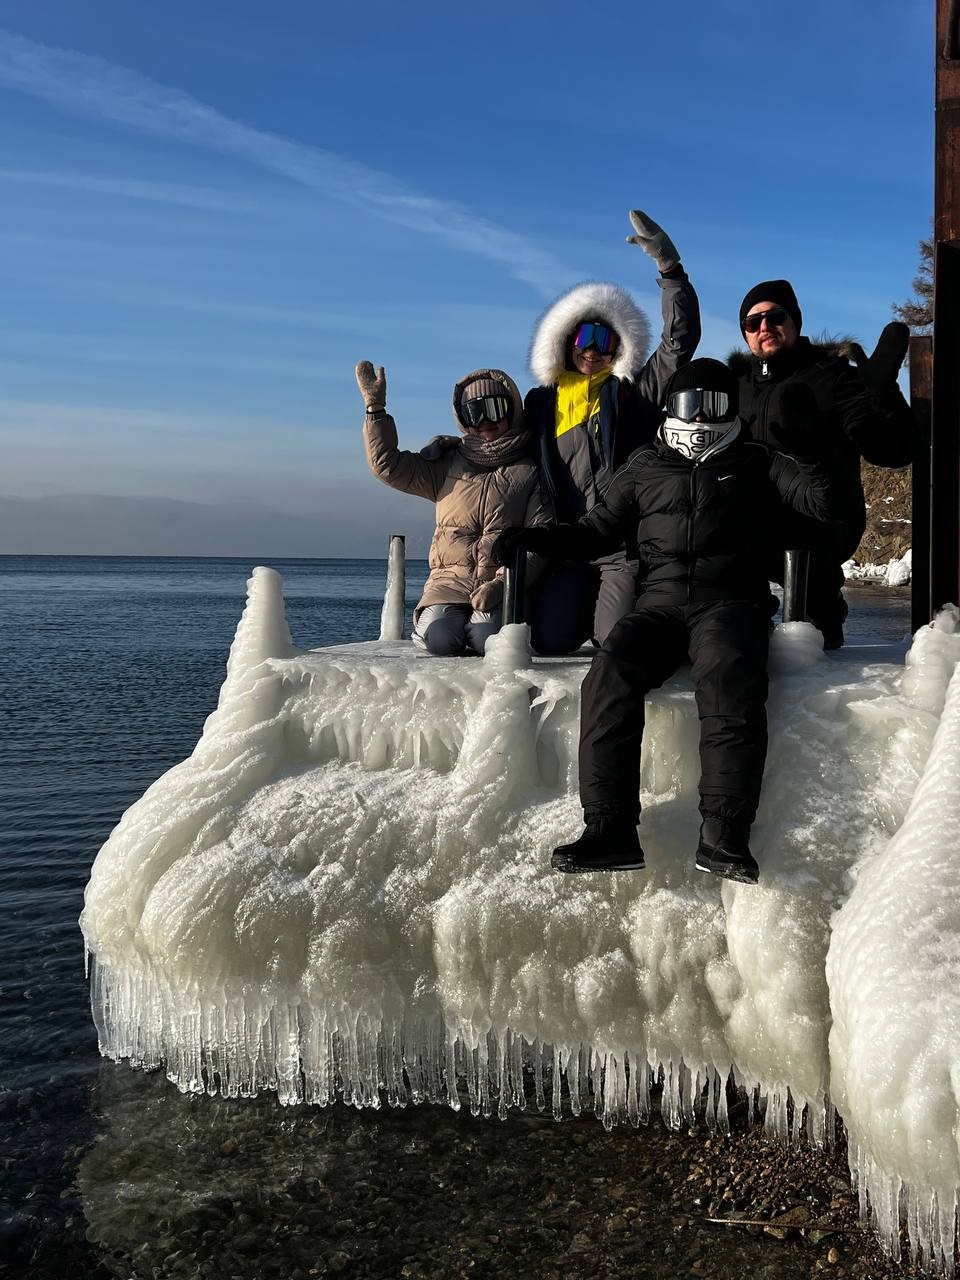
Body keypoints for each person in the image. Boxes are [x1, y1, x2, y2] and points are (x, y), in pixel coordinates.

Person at [493, 358, 850, 884]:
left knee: (728, 677)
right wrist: (535, 539)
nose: (701, 416)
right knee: (609, 671)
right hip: (658, 607)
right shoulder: (645, 464)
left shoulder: (758, 460)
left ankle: (724, 834)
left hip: (730, 604)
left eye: (714, 404)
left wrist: (808, 448)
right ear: (671, 407)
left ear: (732, 409)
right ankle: (609, 829)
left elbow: (826, 502)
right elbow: (595, 531)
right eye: (690, 403)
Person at [523, 210, 701, 653]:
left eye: (605, 341)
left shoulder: (632, 395)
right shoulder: (541, 404)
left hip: (620, 547)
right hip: (569, 546)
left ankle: (624, 609)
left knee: (615, 642)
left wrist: (671, 272)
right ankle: (586, 610)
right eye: (584, 338)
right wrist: (455, 446)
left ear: (620, 346)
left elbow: (679, 343)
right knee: (548, 640)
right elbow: (505, 442)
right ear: (566, 341)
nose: (592, 351)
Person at [730, 280, 913, 648]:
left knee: (815, 648)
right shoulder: (734, 385)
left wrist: (883, 396)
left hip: (818, 530)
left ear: (794, 322)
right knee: (737, 634)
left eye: (774, 317)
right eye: (753, 322)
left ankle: (825, 625)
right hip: (747, 532)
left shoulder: (832, 377)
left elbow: (891, 451)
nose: (764, 327)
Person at [357, 361, 551, 656]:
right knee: (440, 639)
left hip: (498, 584)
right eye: (473, 412)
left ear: (512, 410)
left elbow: (539, 538)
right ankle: (429, 628)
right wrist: (376, 409)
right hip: (449, 582)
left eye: (494, 408)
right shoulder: (447, 463)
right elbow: (388, 466)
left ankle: (480, 626)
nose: (484, 421)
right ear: (462, 417)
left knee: (487, 639)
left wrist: (502, 585)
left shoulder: (529, 470)